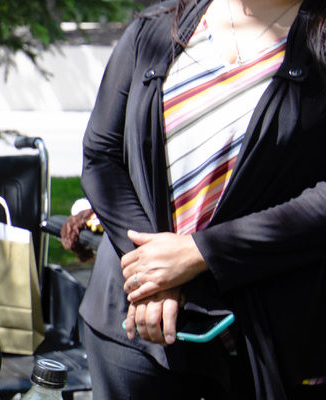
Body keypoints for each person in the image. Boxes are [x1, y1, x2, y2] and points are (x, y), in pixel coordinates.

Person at [80, 0, 326, 398]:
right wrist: (151, 271)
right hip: (132, 321)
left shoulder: (319, 40)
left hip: (253, 337)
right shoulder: (157, 27)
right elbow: (101, 155)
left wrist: (198, 253)